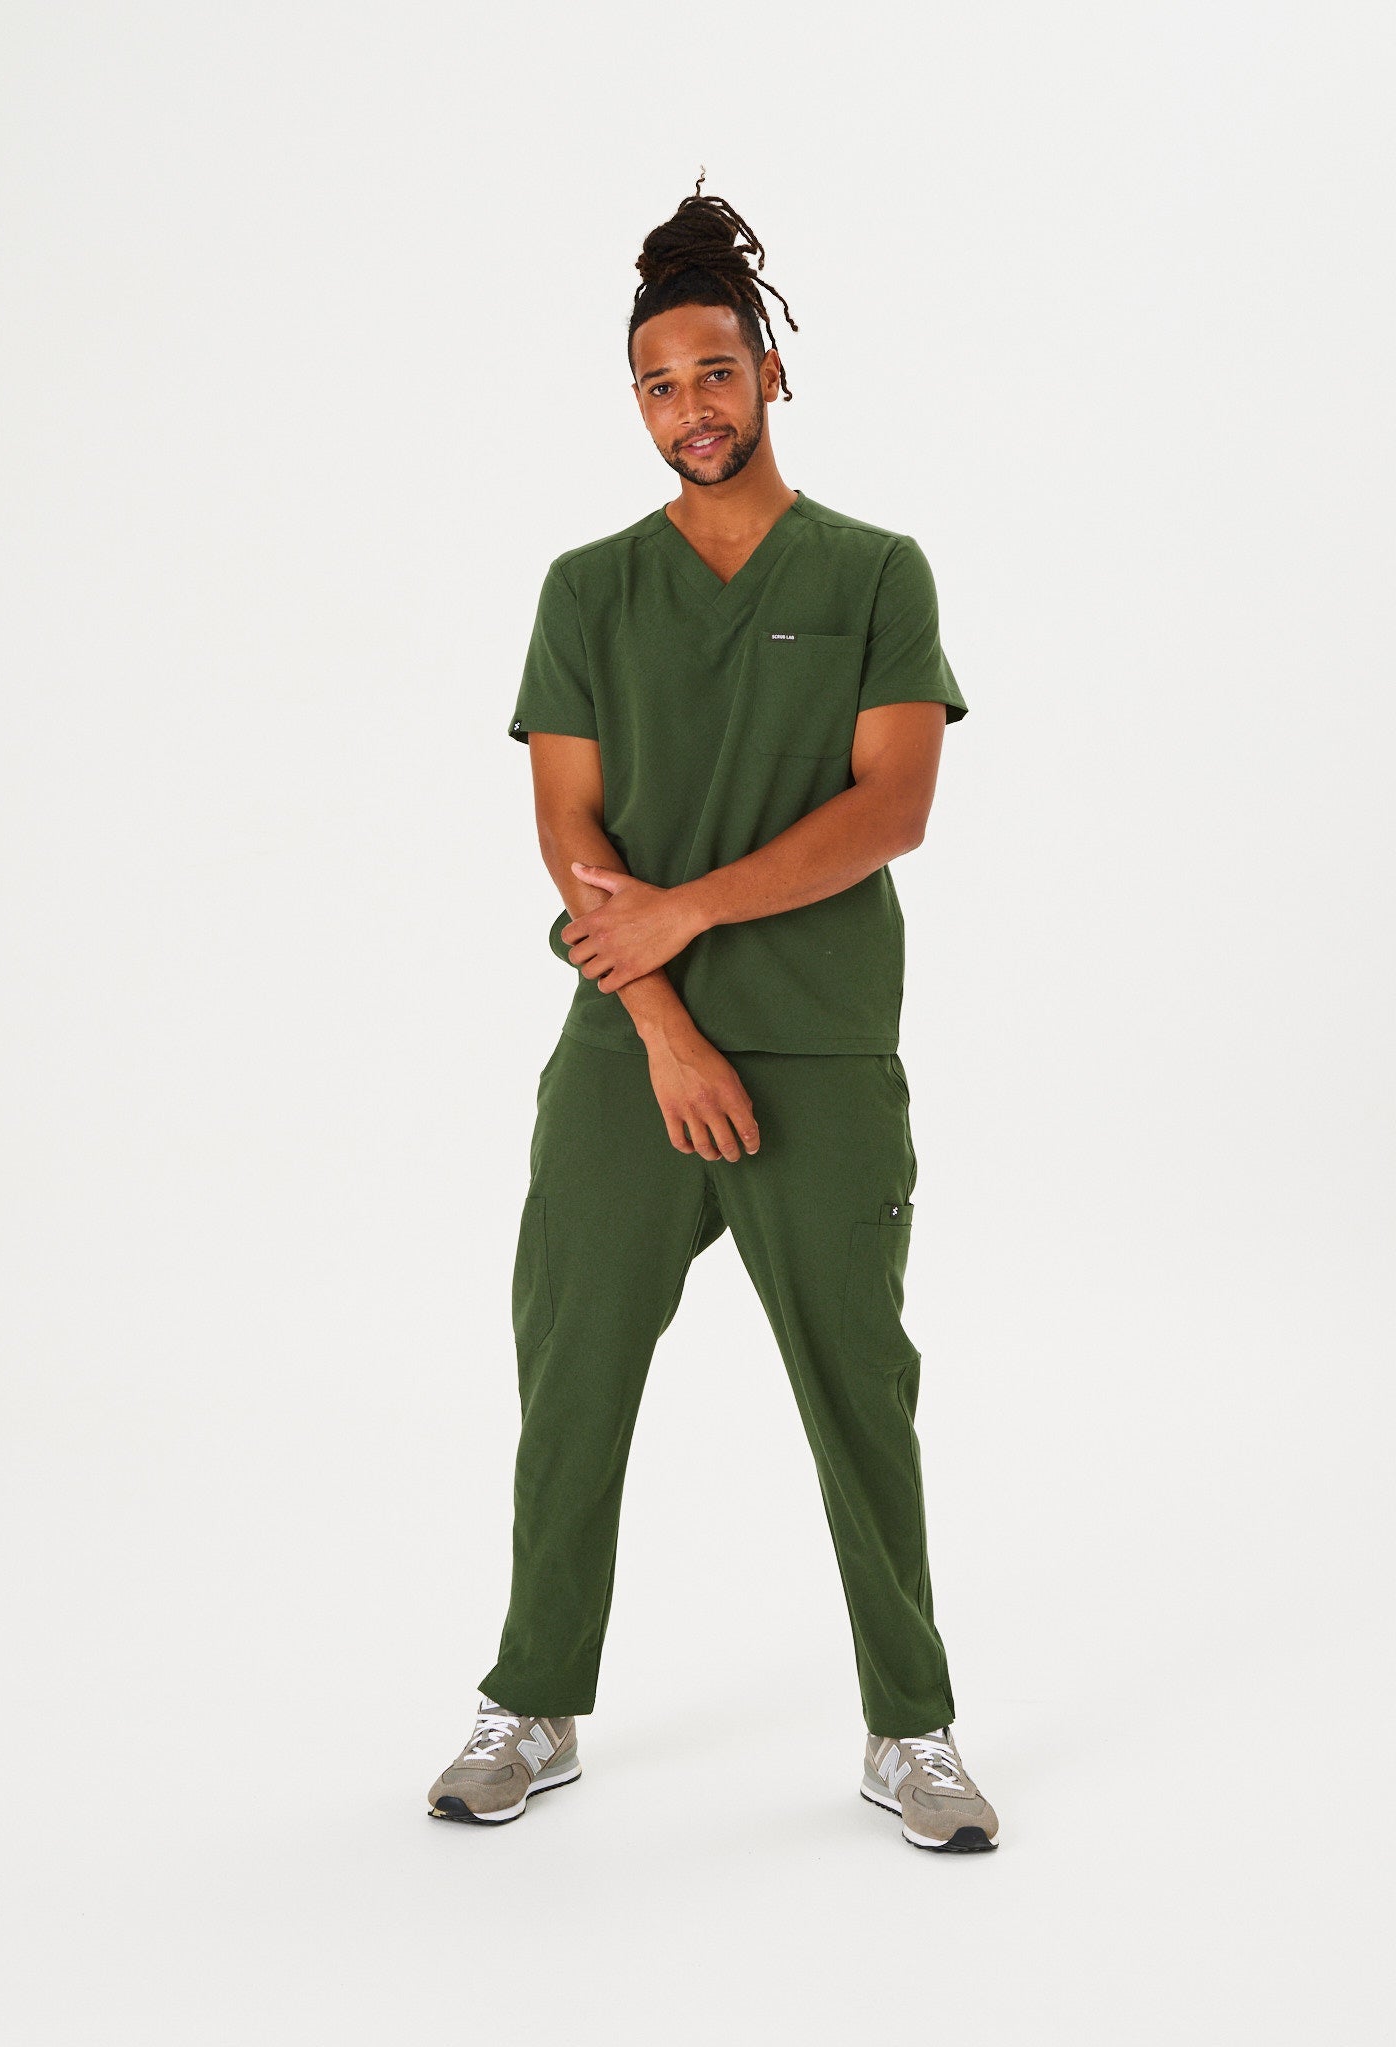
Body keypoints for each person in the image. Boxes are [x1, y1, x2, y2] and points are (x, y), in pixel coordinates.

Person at [426, 176, 999, 1852]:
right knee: (571, 1381)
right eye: (659, 384)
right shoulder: (587, 591)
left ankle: (911, 1732)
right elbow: (569, 834)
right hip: (627, 1054)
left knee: (858, 1393)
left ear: (771, 375)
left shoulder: (875, 572)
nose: (690, 406)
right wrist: (667, 1026)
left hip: (820, 1050)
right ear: (637, 403)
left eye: (716, 373)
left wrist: (686, 908)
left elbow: (891, 807)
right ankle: (532, 1703)